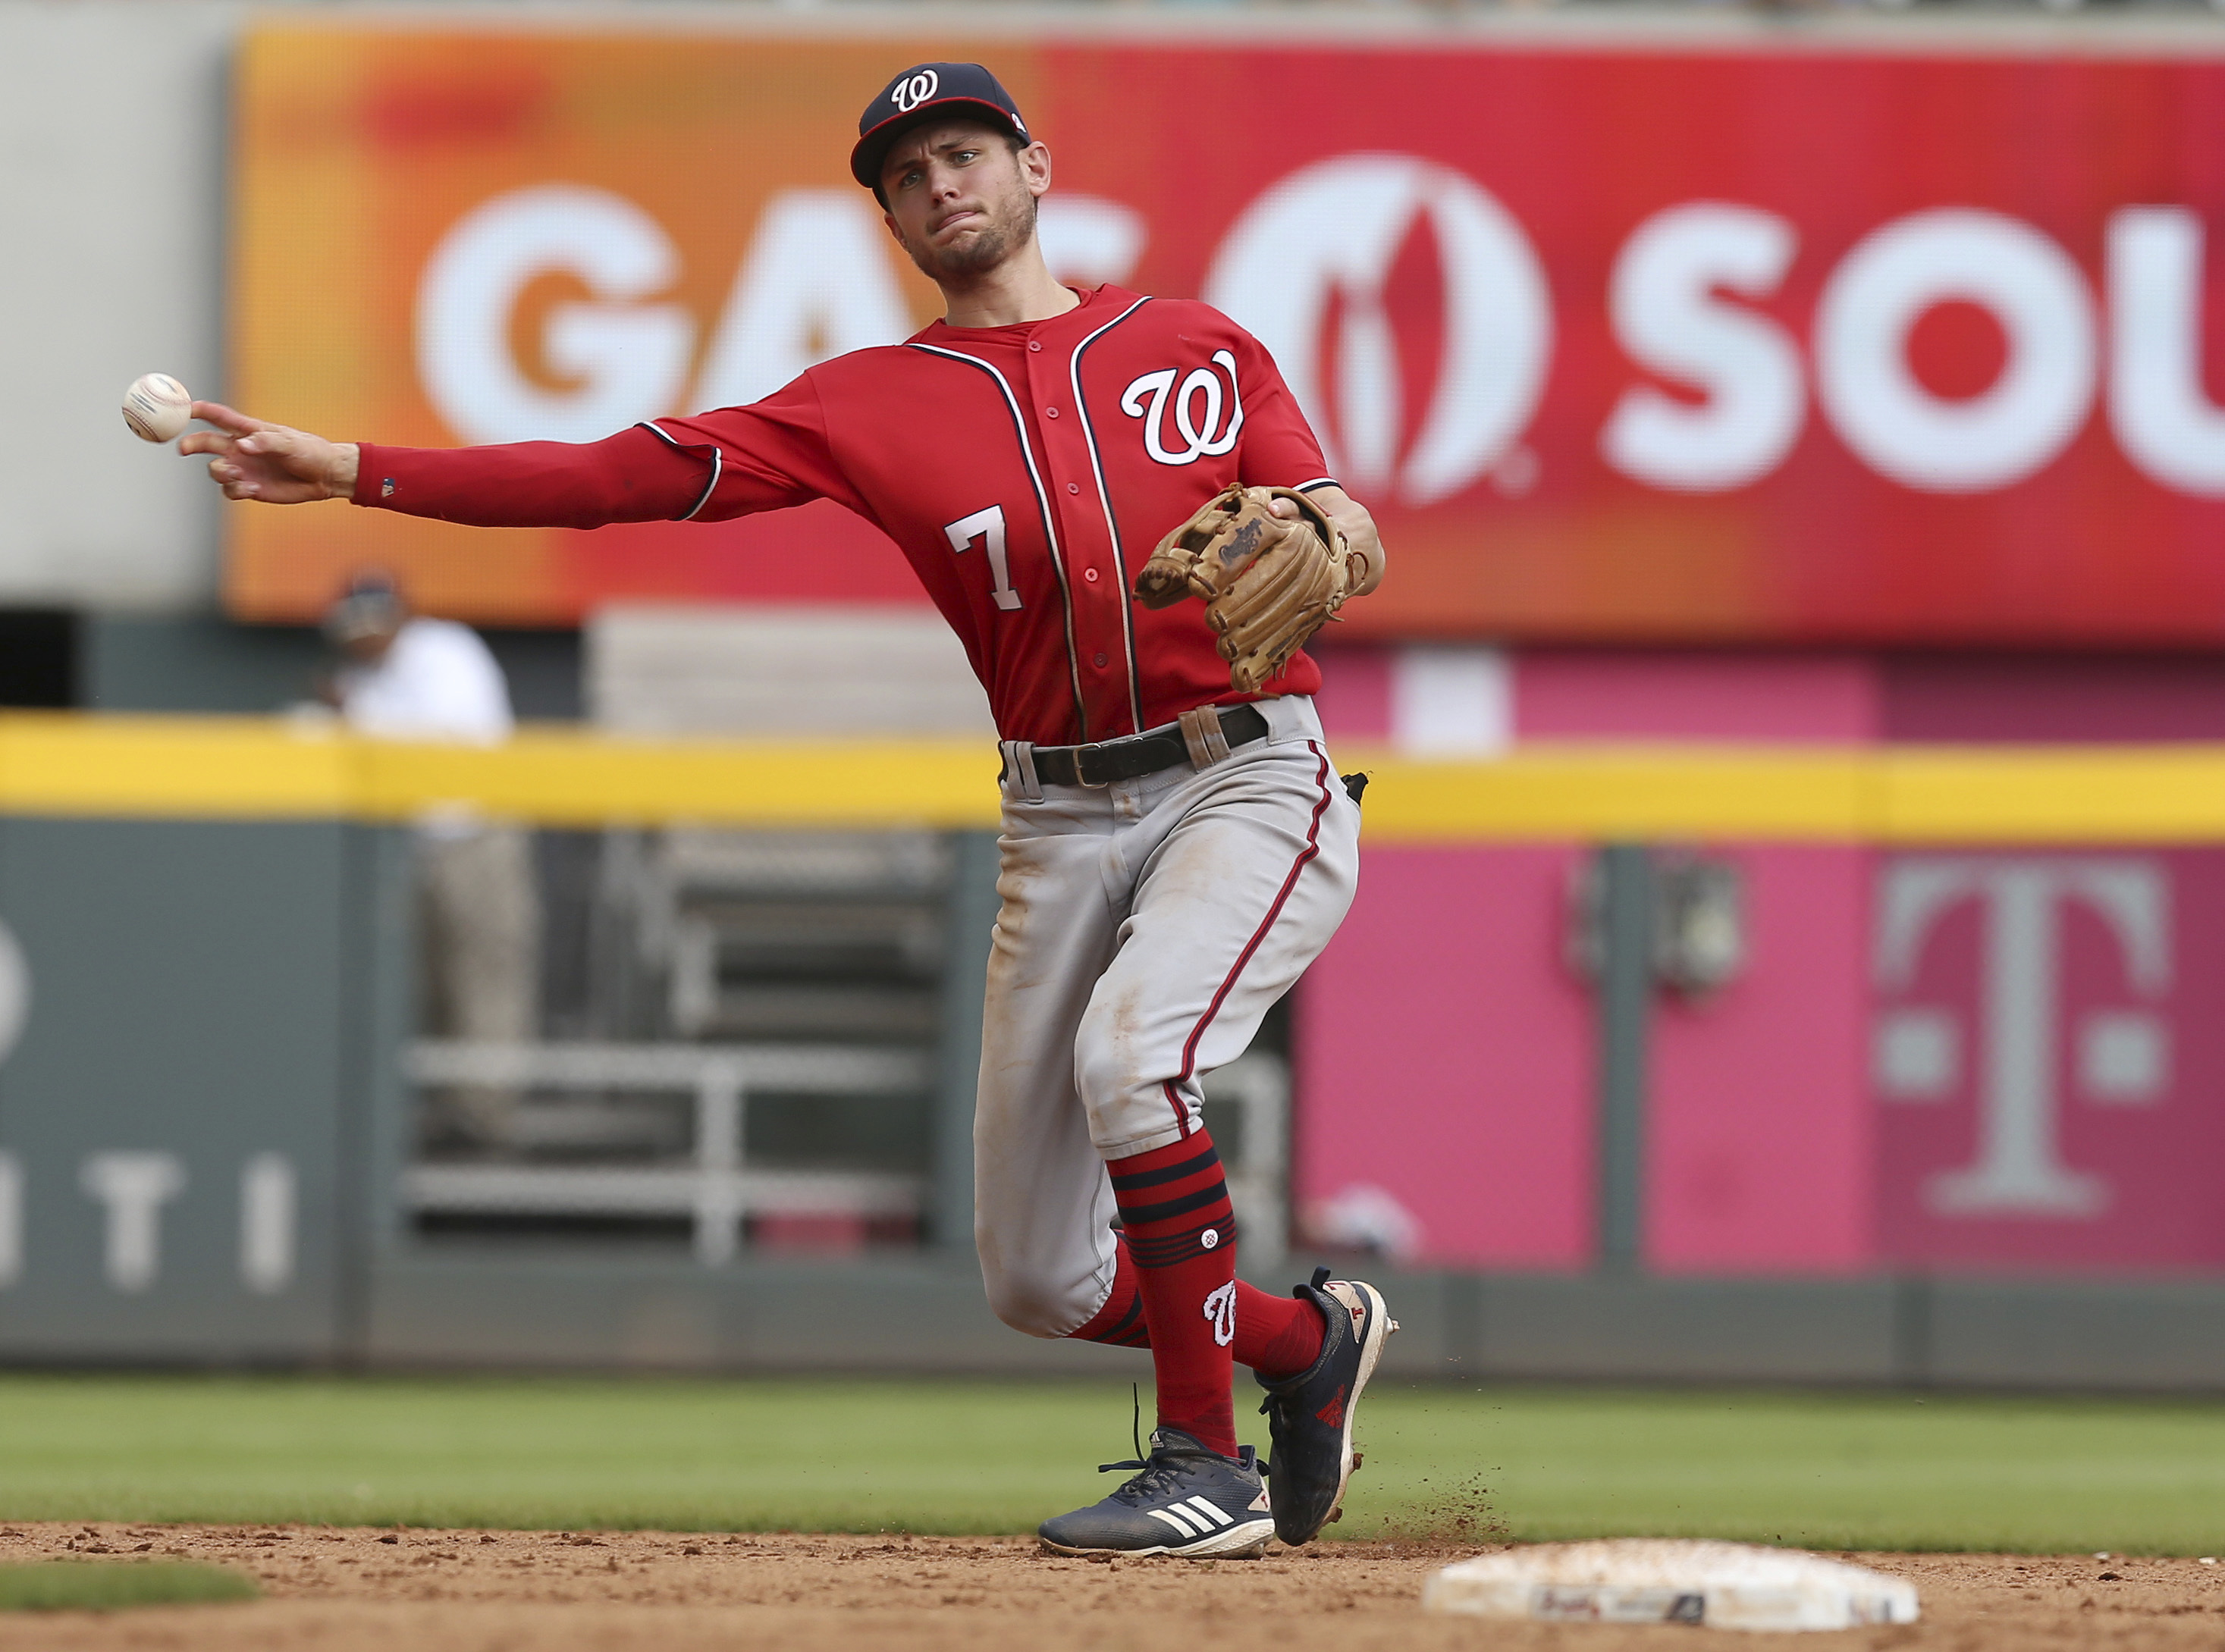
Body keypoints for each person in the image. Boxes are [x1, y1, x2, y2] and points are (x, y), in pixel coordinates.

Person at [185, 61, 1393, 1559]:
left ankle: (1207, 1466)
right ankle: (1296, 1343)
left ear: (1034, 168)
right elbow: (614, 475)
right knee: (1038, 1277)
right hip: (1058, 816)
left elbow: (1331, 513)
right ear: (889, 216)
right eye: (907, 172)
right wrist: (363, 472)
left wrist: (1337, 525)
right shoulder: (869, 404)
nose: (941, 181)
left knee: (1136, 1061)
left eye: (964, 150)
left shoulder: (1192, 343)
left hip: (1244, 771)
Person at [322, 573, 540, 1149]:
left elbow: (453, 742)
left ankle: (487, 1114)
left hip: (477, 835)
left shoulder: (445, 651)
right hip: (414, 848)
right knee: (425, 983)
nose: (361, 639)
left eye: (370, 624)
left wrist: (356, 714)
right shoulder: (364, 679)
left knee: (485, 974)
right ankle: (440, 1111)